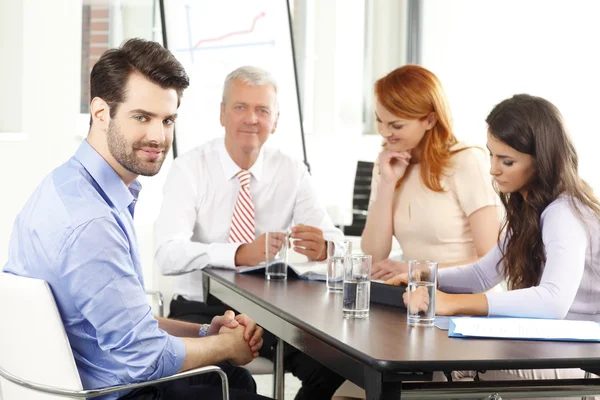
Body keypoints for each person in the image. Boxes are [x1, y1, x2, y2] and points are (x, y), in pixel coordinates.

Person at [2, 39, 268, 400]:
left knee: (236, 379)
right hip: (120, 391)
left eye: (167, 120)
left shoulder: (68, 185)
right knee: (237, 380)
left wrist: (207, 333)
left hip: (100, 371)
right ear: (101, 113)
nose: (158, 137)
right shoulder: (91, 222)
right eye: (142, 117)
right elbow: (144, 357)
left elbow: (126, 324)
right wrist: (227, 347)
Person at [154, 65, 346, 399]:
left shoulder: (292, 172)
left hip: (275, 315)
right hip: (203, 310)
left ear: (276, 120)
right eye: (240, 107)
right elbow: (167, 253)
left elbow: (339, 246)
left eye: (262, 110)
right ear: (222, 114)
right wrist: (240, 253)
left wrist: (326, 249)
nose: (251, 119)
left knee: (336, 363)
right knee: (222, 382)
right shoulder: (190, 168)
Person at [392, 94, 600, 386]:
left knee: (457, 364)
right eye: (491, 155)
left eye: (507, 161)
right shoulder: (530, 207)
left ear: (543, 160)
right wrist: (425, 275)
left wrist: (455, 303)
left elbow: (554, 302)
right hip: (557, 346)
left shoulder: (564, 212)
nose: (492, 169)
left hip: (584, 359)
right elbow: (483, 273)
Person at [361, 65, 501, 281]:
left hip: (468, 302)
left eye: (396, 125)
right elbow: (374, 256)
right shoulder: (388, 164)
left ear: (429, 120)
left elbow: (492, 260)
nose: (385, 132)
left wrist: (415, 271)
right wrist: (387, 184)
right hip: (416, 298)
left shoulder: (465, 161)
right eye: (379, 120)